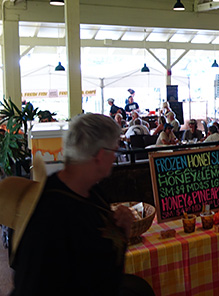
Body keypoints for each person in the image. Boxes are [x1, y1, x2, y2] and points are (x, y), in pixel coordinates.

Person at [7, 113, 154, 295]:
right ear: (101, 155)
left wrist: (121, 231)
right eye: (114, 151)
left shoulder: (91, 191)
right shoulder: (49, 214)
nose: (115, 158)